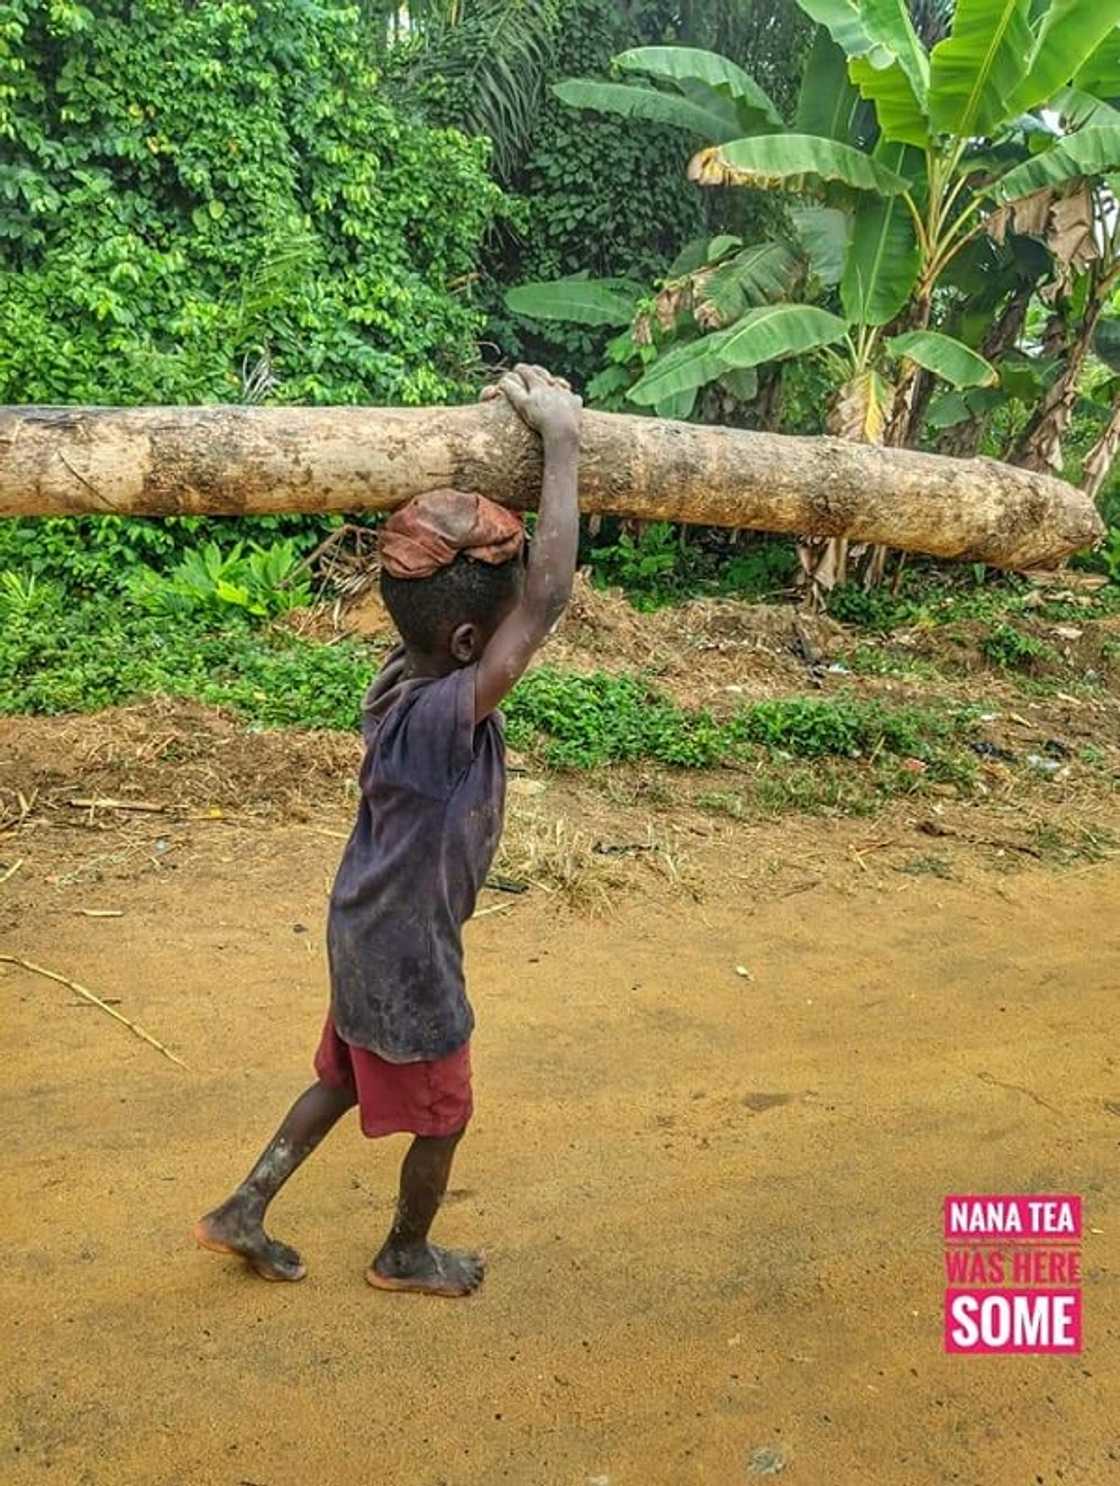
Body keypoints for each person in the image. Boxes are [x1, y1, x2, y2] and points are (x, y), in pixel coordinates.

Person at [194, 365, 581, 1297]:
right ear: (464, 650)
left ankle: (244, 1206)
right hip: (407, 954)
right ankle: (405, 1252)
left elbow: (505, 595)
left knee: (345, 1073)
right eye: (493, 642)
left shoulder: (399, 678)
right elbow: (550, 596)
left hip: (363, 923)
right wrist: (563, 440)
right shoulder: (443, 717)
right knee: (442, 1113)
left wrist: (506, 452)